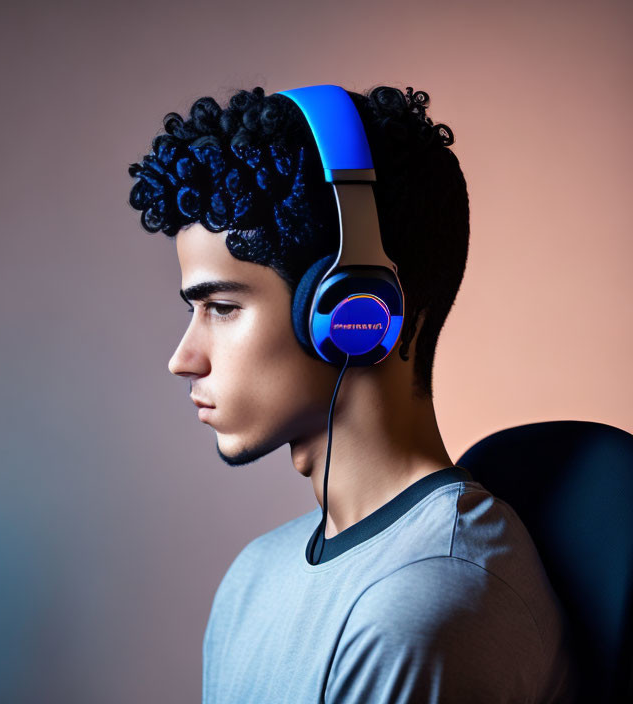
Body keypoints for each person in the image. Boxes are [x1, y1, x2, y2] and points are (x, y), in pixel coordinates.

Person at [126, 84, 579, 703]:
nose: (183, 359)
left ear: (352, 314)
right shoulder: (252, 578)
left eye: (224, 307)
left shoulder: (418, 610)